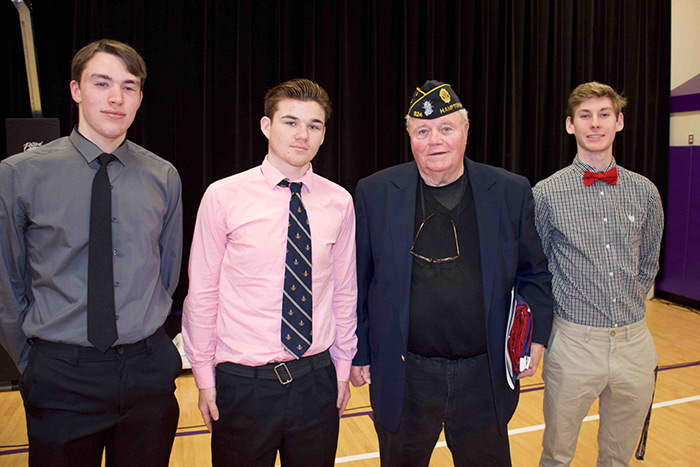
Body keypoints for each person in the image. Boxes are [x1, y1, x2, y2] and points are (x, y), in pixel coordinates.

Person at [350, 80, 553, 466]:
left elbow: (534, 274)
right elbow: (358, 280)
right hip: (405, 373)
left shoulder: (510, 191)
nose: (435, 140)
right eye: (422, 131)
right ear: (410, 136)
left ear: (465, 129)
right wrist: (358, 350)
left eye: (446, 128)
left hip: (484, 373)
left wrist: (536, 336)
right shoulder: (375, 192)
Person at [0, 39, 183, 466]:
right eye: (102, 83)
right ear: (76, 90)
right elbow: (7, 280)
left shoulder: (163, 176)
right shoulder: (21, 174)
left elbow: (168, 271)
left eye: (129, 86)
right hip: (61, 373)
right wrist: (32, 363)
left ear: (139, 97)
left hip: (146, 373)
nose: (117, 98)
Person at [182, 78, 357, 467]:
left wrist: (342, 369)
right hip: (243, 386)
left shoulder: (339, 202)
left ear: (324, 134)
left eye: (314, 125)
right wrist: (204, 376)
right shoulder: (223, 196)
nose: (302, 134)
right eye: (290, 122)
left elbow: (344, 291)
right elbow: (202, 293)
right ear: (266, 126)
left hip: (316, 380)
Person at [533, 81, 664, 466]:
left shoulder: (645, 192)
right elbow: (536, 268)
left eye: (604, 114)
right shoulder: (547, 193)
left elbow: (649, 262)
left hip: (635, 344)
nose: (595, 124)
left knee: (618, 457)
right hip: (573, 344)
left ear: (619, 122)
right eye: (585, 116)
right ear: (570, 125)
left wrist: (628, 307)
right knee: (557, 454)